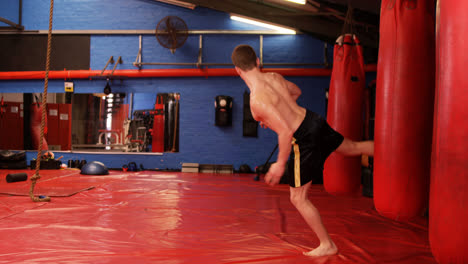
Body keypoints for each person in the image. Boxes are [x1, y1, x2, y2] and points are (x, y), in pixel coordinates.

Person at [231, 44, 374, 257]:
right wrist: (282, 113)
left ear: (237, 70)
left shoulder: (256, 101)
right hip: (312, 120)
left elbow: (286, 132)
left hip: (303, 138)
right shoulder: (274, 77)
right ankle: (401, 154)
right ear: (258, 62)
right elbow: (296, 92)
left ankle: (327, 244)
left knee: (298, 198)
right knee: (352, 147)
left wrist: (279, 164)